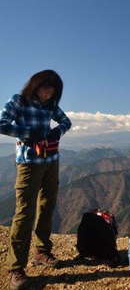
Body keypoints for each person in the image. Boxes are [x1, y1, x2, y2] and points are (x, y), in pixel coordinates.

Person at [0, 70, 72, 290]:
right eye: (45, 87)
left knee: (47, 205)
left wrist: (56, 132)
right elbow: (2, 123)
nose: (49, 92)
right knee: (25, 211)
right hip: (29, 164)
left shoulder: (50, 106)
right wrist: (29, 133)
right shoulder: (19, 101)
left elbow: (66, 122)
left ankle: (42, 251)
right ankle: (16, 268)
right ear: (35, 85)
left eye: (53, 89)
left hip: (51, 160)